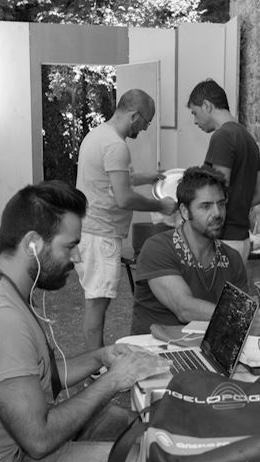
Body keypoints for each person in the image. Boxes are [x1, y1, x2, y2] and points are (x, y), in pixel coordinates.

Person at [0, 181, 169, 462]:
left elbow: (41, 377)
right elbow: (39, 440)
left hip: (17, 443)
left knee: (138, 426)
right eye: (70, 246)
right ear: (33, 244)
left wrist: (101, 356)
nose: (77, 257)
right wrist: (114, 380)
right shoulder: (1, 319)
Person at [131, 166, 260, 336]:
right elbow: (183, 308)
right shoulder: (158, 248)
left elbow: (240, 314)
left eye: (221, 204)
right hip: (153, 348)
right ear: (185, 211)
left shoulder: (232, 258)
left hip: (207, 347)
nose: (217, 213)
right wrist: (250, 316)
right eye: (205, 206)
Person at [76, 89, 177, 352]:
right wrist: (161, 205)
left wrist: (148, 177)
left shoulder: (98, 135)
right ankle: (96, 365)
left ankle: (96, 361)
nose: (144, 129)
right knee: (97, 306)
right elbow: (123, 197)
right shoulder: (116, 146)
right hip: (101, 235)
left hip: (91, 231)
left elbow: (115, 178)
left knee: (96, 302)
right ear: (135, 115)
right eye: (146, 122)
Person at [187, 79, 260, 263]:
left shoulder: (222, 136)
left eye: (195, 113)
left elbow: (216, 193)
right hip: (242, 240)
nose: (195, 121)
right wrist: (237, 207)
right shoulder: (248, 138)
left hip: (223, 239)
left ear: (206, 105)